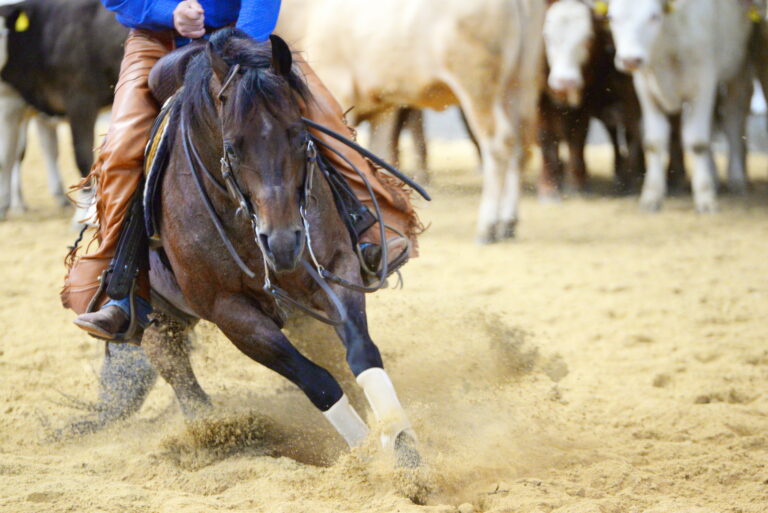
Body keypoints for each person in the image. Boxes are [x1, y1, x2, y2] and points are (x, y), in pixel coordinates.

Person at [61, 0, 421, 341]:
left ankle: (370, 229)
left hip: (242, 34)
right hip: (157, 40)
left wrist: (243, 44)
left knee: (322, 112)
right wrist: (168, 12)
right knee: (122, 146)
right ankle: (117, 287)